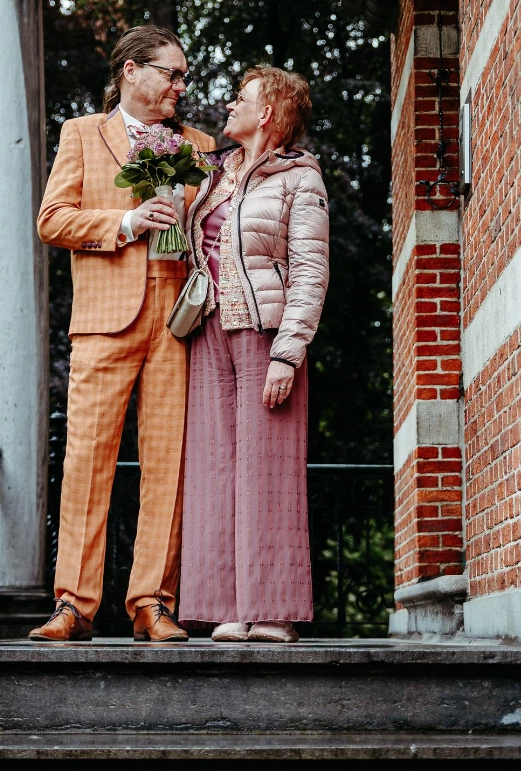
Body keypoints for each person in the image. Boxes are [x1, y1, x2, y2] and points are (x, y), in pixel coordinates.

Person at [29, 25, 215, 643]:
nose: (180, 86)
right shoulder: (82, 133)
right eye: (171, 73)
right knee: (85, 462)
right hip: (104, 323)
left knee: (170, 465)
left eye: (184, 76)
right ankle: (73, 606)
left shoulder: (201, 145)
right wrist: (129, 220)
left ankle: (152, 603)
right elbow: (53, 220)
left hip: (177, 324)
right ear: (132, 72)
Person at [179, 65, 329, 643]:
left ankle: (272, 611)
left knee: (268, 469)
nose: (229, 107)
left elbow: (312, 270)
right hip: (209, 329)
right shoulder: (216, 173)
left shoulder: (299, 177)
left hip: (266, 333)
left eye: (240, 99)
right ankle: (227, 607)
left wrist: (289, 353)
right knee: (217, 468)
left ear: (266, 112)